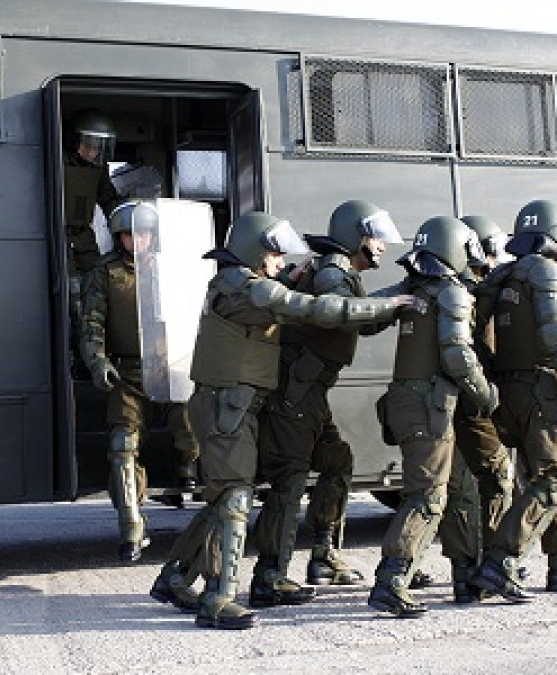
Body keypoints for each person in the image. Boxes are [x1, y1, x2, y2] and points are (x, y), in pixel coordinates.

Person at [148, 211, 421, 630]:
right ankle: (219, 599)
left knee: (228, 495)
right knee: (236, 496)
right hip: (227, 404)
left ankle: (178, 576)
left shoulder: (239, 283)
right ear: (255, 251)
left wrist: (290, 279)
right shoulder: (247, 287)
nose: (279, 262)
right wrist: (392, 303)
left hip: (233, 403)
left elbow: (281, 297)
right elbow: (309, 309)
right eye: (274, 254)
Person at [249, 199, 405, 606]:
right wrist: (397, 299)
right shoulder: (334, 272)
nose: (382, 247)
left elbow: (363, 319)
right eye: (375, 238)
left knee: (337, 463)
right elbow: (345, 316)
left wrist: (397, 297)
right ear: (357, 237)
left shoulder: (338, 269)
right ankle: (269, 577)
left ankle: (323, 556)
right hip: (295, 396)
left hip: (309, 395)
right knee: (290, 480)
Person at [369, 215, 496, 618]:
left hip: (413, 404)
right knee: (428, 495)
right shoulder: (452, 294)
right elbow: (457, 356)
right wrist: (486, 394)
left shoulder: (414, 291)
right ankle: (392, 580)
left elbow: (369, 319)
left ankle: (465, 575)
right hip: (431, 408)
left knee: (458, 488)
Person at [470, 199, 557, 603]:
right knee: (556, 478)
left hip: (511, 392)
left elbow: (474, 329)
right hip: (544, 391)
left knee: (542, 476)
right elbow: (556, 339)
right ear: (555, 233)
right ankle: (501, 561)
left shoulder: (504, 275)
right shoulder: (543, 271)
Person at [80, 200, 201, 563]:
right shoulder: (106, 272)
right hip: (129, 372)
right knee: (122, 446)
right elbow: (92, 322)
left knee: (193, 430)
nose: (139, 240)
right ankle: (131, 527)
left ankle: (188, 471)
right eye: (130, 234)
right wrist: (96, 360)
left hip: (175, 365)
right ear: (119, 237)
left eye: (145, 233)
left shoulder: (175, 267)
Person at [432, 214, 517, 603]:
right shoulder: (469, 292)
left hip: (455, 401)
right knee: (488, 479)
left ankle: (468, 573)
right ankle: (487, 568)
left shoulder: (457, 289)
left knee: (460, 490)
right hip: (469, 402)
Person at [64, 108, 124, 348]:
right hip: (61, 234)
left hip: (83, 236)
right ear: (75, 141)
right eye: (88, 144)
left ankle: (95, 348)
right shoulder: (59, 163)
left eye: (98, 146)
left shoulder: (97, 170)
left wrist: (128, 218)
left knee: (95, 286)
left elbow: (108, 198)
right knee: (72, 292)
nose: (93, 151)